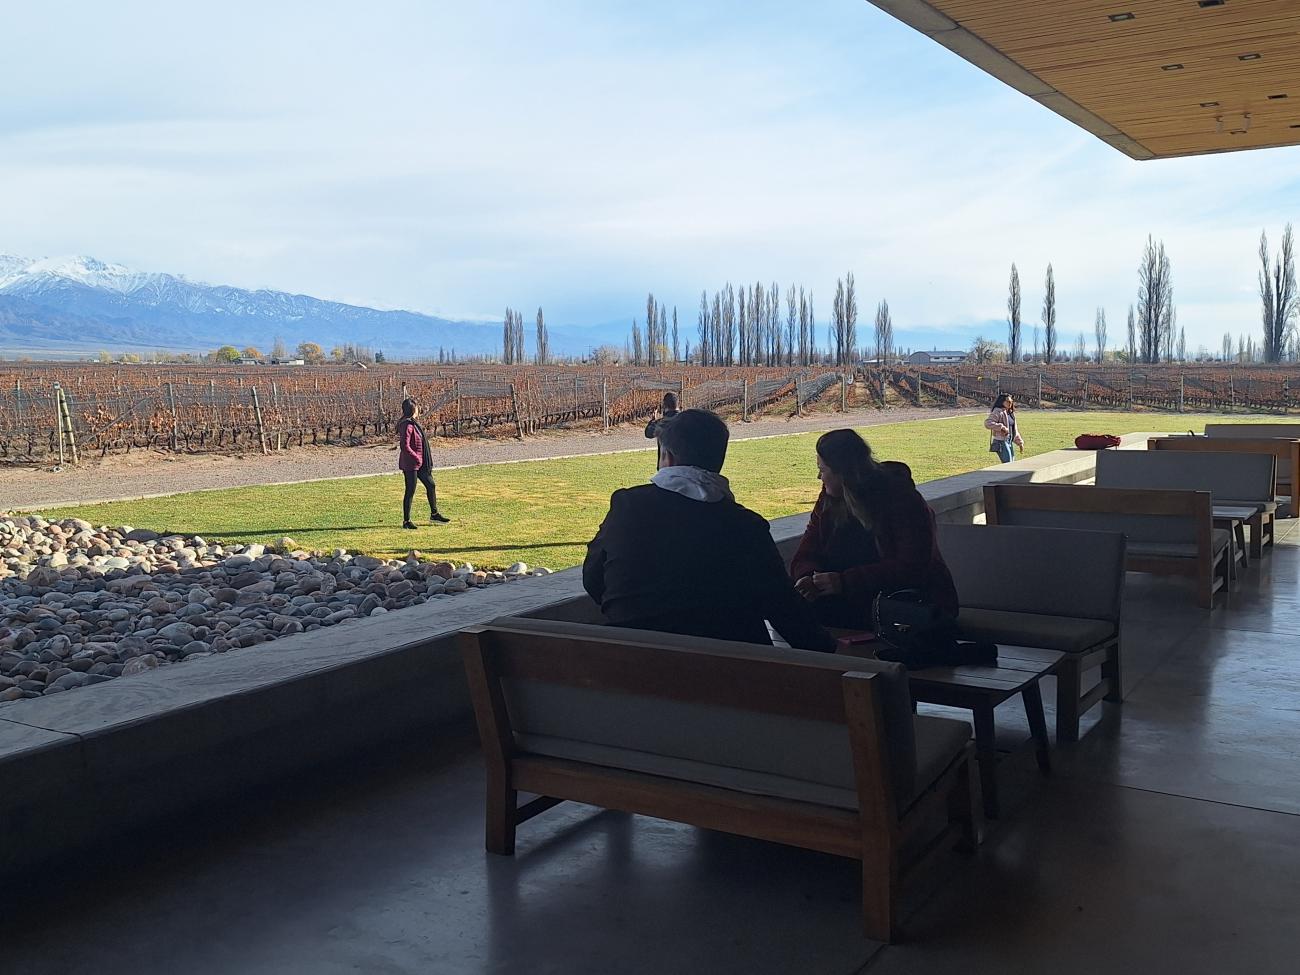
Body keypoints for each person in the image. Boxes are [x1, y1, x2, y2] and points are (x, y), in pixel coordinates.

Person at [584, 409, 834, 651]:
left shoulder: (627, 506)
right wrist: (830, 649)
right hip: (725, 666)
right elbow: (783, 607)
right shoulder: (746, 526)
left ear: (667, 456)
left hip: (629, 660)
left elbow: (593, 579)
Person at [790, 429, 958, 630]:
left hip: (906, 609)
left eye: (823, 470)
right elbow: (807, 549)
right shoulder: (828, 500)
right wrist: (807, 577)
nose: (819, 477)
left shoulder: (903, 500)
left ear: (843, 472)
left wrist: (845, 582)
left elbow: (913, 567)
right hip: (844, 605)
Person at [396, 399, 450, 528]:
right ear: (412, 410)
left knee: (431, 485)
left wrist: (421, 459)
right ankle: (406, 521)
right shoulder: (407, 425)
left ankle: (434, 514)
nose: (418, 410)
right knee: (410, 490)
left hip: (420, 463)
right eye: (416, 408)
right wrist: (416, 458)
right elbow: (404, 446)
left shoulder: (414, 424)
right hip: (411, 464)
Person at [985, 392, 1024, 464]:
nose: (1010, 403)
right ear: (1002, 402)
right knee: (1008, 464)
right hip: (1001, 442)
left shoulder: (1011, 413)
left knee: (1011, 463)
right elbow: (988, 423)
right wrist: (1001, 427)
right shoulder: (998, 411)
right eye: (1008, 401)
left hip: (1009, 441)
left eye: (1011, 401)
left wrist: (1020, 442)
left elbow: (1014, 430)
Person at [644, 392, 680, 468]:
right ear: (678, 404)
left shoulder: (661, 423)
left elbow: (648, 433)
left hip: (665, 466)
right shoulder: (686, 421)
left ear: (664, 405)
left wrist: (653, 421)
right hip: (682, 466)